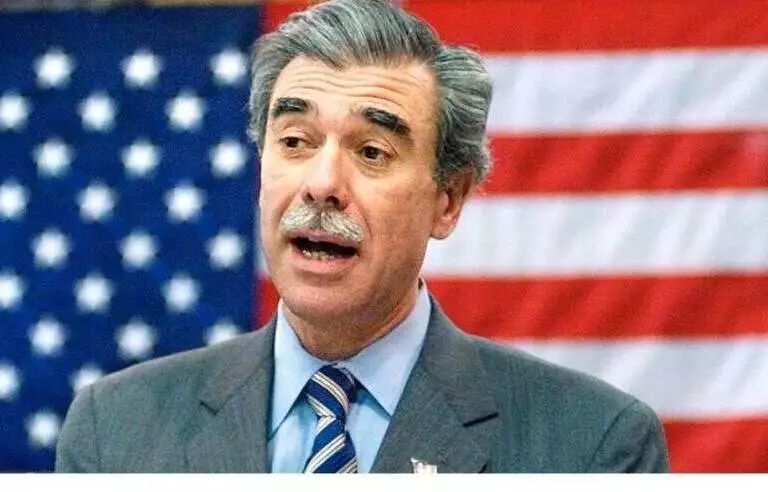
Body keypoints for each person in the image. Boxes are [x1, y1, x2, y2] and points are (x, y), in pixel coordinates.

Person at [56, 0, 669, 473]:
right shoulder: (116, 430)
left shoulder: (592, 444)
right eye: (294, 142)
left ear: (448, 200)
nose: (322, 183)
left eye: (372, 151)